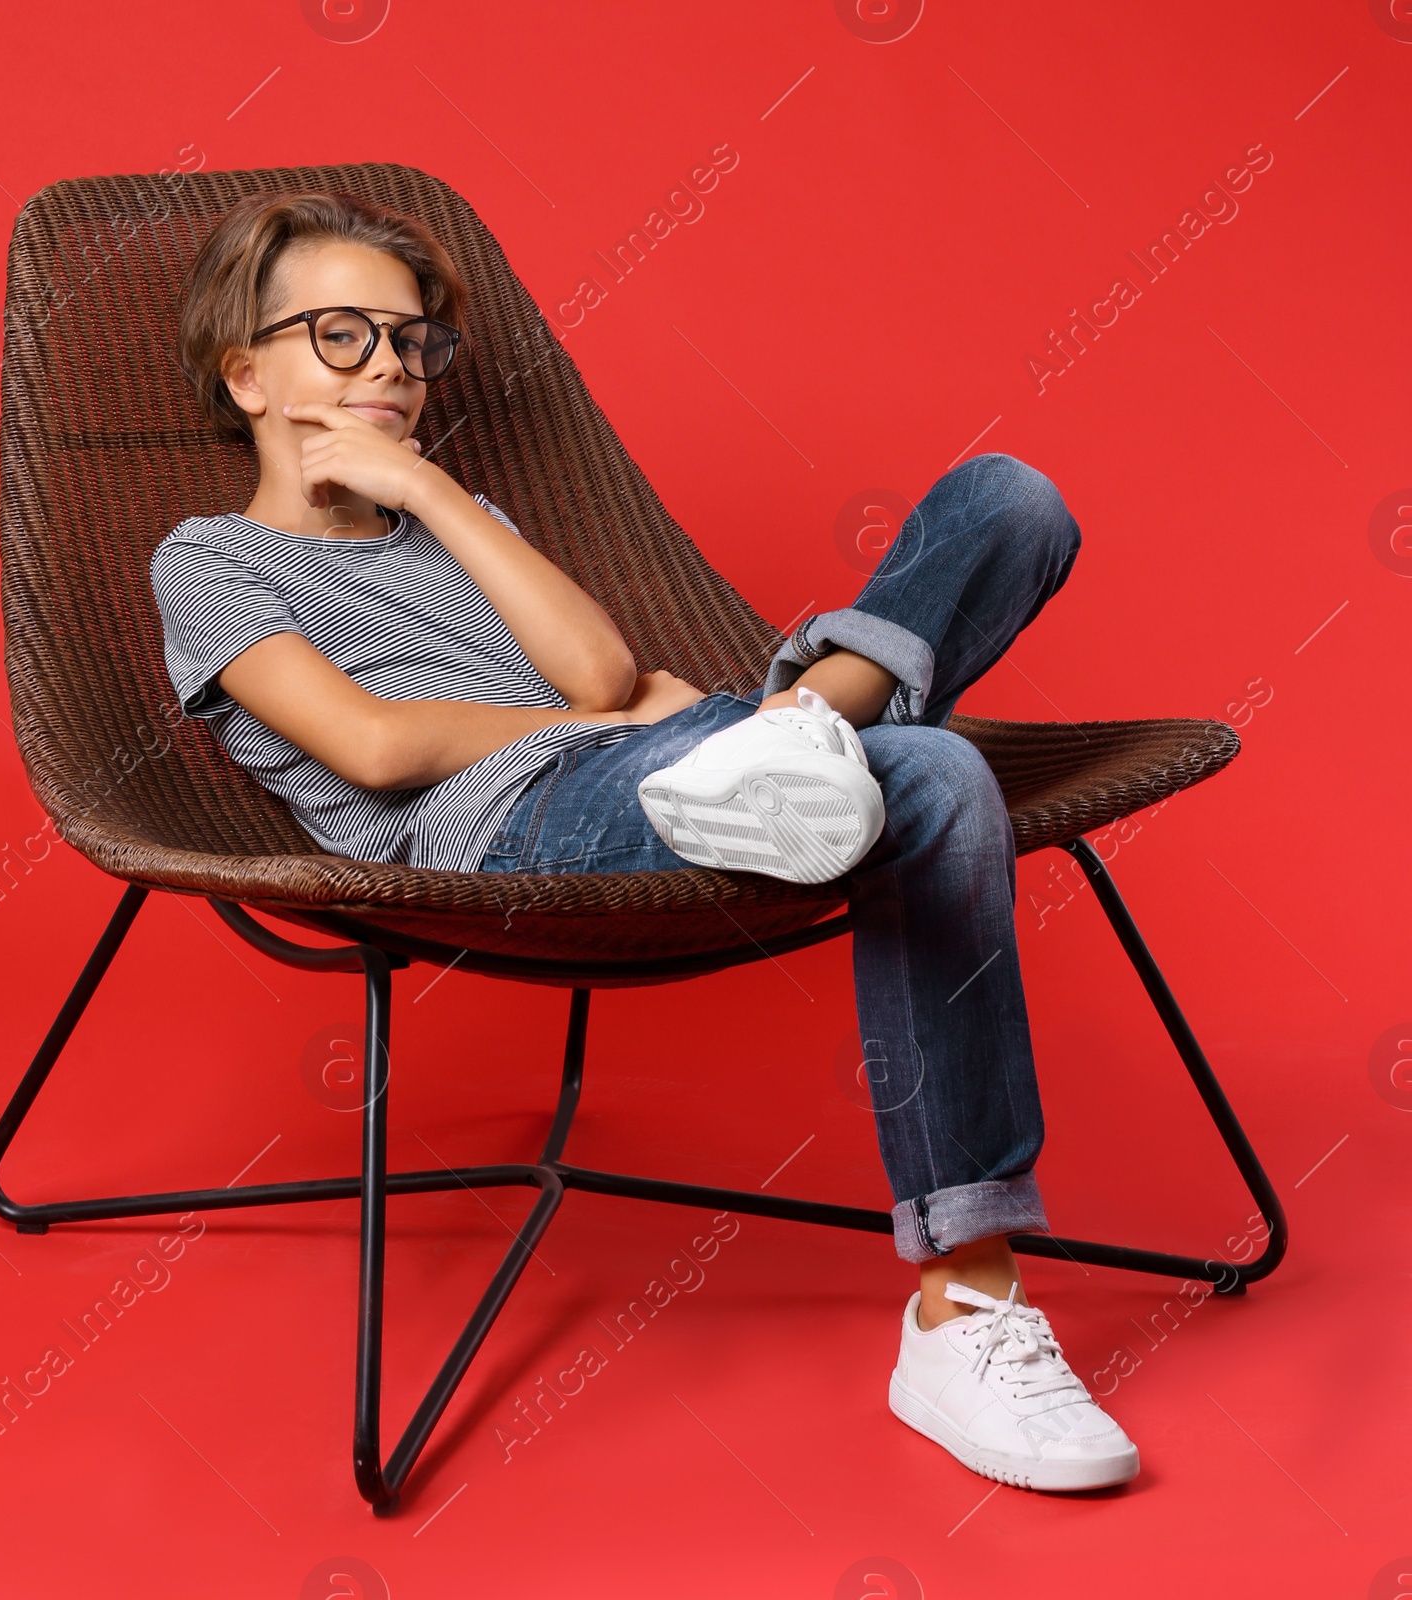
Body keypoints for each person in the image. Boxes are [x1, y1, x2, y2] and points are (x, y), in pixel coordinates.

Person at [152, 190, 1140, 1493]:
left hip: (670, 757)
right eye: (344, 335)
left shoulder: (459, 518)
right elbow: (377, 748)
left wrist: (429, 491)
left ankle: (791, 736)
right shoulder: (209, 562)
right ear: (246, 373)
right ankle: (967, 1300)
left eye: (409, 342)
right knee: (938, 771)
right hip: (518, 825)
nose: (391, 367)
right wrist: (581, 715)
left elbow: (606, 666)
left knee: (1009, 500)